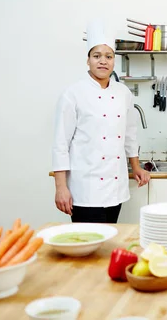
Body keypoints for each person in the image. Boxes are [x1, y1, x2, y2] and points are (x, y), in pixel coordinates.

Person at [52, 20, 150, 223]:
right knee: (88, 248)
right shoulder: (73, 94)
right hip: (84, 190)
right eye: (97, 56)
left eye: (108, 56)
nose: (103, 61)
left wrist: (137, 167)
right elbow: (61, 144)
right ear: (88, 60)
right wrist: (61, 187)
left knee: (109, 244)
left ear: (114, 61)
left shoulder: (123, 93)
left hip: (115, 190)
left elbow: (130, 134)